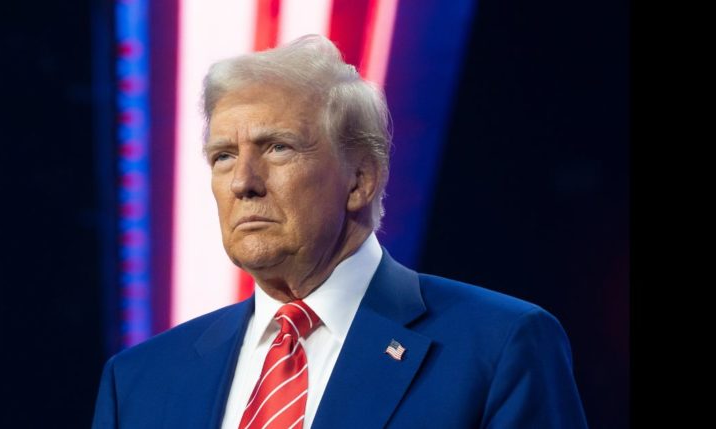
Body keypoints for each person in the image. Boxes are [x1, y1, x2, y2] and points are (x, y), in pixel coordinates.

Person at [92, 34, 588, 429]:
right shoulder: (139, 380)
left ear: (360, 180)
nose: (243, 181)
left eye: (277, 148)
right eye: (223, 156)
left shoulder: (499, 347)